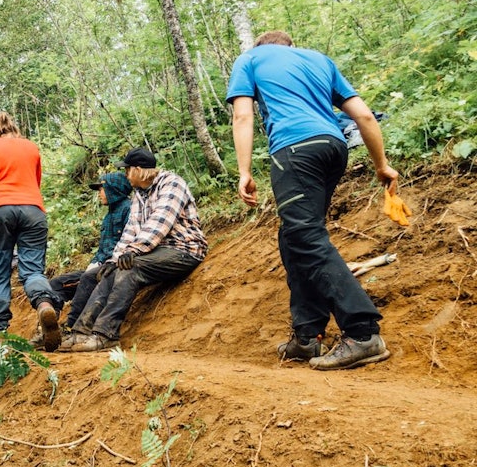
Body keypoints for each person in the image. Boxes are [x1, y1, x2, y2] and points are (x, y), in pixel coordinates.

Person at [227, 30, 398, 370]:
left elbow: (243, 116)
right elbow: (364, 116)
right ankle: (307, 336)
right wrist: (382, 165)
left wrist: (244, 171)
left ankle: (363, 332)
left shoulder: (250, 59)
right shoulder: (319, 60)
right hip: (334, 148)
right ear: (290, 47)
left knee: (305, 235)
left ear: (261, 46)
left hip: (295, 150)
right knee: (294, 236)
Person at [67, 148, 207, 352]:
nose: (125, 174)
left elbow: (160, 222)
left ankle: (106, 334)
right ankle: (80, 332)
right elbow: (130, 231)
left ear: (139, 170)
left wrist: (133, 251)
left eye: (127, 170)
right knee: (110, 271)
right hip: (155, 250)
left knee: (129, 268)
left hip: (184, 249)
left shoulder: (172, 184)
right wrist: (114, 259)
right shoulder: (139, 196)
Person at [0, 111, 63, 350]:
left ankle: (0, 333)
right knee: (33, 271)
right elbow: (36, 181)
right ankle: (44, 305)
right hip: (33, 211)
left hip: (0, 212)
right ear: (15, 128)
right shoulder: (31, 147)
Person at [49, 171, 133, 348]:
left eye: (102, 189)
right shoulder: (109, 215)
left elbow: (129, 242)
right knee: (56, 284)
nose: (99, 193)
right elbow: (103, 248)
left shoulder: (129, 209)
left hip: (113, 266)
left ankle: (71, 327)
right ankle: (50, 328)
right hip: (100, 264)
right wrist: (94, 262)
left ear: (114, 190)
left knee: (88, 278)